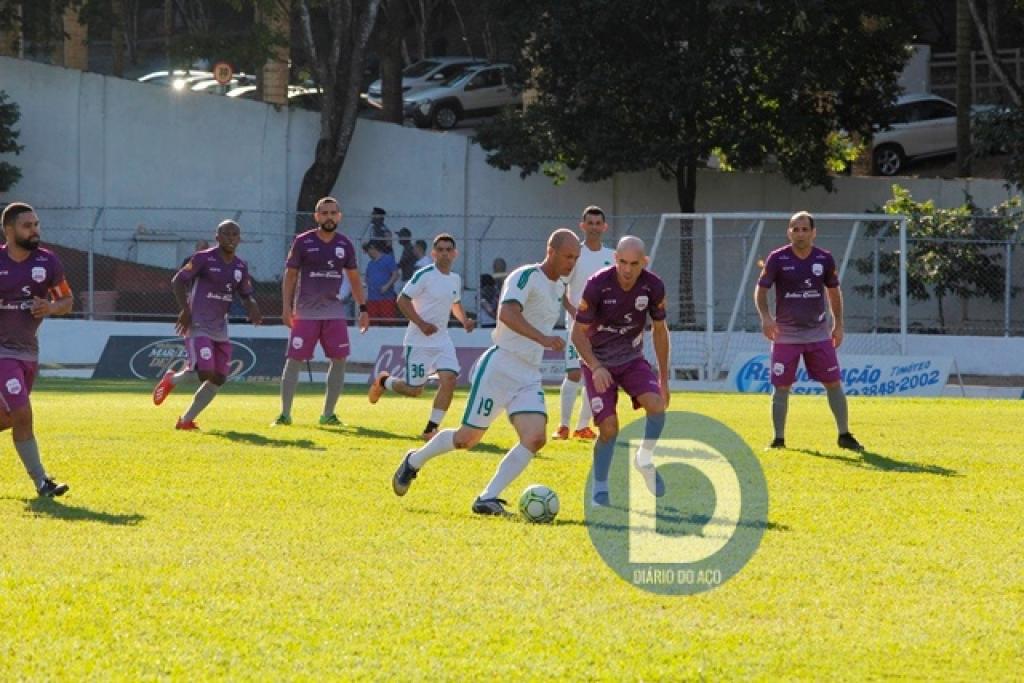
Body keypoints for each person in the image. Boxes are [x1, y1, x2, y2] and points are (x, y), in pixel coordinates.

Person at [391, 228, 580, 516]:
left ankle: (487, 498)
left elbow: (568, 308)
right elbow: (507, 313)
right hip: (501, 366)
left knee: (535, 438)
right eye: (567, 256)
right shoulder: (525, 277)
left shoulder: (559, 286)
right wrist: (542, 338)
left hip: (529, 373)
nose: (572, 262)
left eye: (575, 257)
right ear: (550, 251)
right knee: (467, 439)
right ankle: (414, 461)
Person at [571, 236, 671, 507]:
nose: (627, 270)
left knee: (657, 406)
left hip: (631, 359)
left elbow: (660, 331)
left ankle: (644, 458)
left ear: (644, 262)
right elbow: (577, 335)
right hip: (598, 362)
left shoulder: (653, 286)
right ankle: (600, 489)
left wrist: (663, 379)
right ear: (615, 259)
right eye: (622, 262)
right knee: (609, 428)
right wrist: (596, 366)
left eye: (634, 264)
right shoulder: (597, 284)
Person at [754, 210, 864, 452]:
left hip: (818, 333)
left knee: (833, 382)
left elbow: (833, 292)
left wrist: (838, 324)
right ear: (789, 232)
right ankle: (778, 440)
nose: (800, 233)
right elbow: (761, 290)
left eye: (805, 229)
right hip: (785, 335)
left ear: (814, 233)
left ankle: (844, 434)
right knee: (781, 386)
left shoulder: (824, 259)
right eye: (795, 229)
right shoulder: (777, 258)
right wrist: (766, 318)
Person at [152, 220, 262, 429]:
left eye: (235, 234)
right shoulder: (203, 258)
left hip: (220, 328)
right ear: (217, 237)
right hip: (198, 325)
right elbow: (178, 281)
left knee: (219, 378)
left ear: (239, 239)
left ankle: (186, 421)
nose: (231, 238)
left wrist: (252, 306)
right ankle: (171, 380)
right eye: (226, 233)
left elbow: (246, 294)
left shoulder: (240, 266)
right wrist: (186, 310)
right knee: (205, 372)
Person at [368, 233, 476, 439]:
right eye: (440, 250)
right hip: (419, 340)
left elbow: (455, 303)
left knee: (449, 379)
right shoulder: (424, 275)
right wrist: (421, 324)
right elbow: (402, 300)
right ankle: (384, 381)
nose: (444, 254)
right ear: (433, 254)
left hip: (442, 339)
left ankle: (430, 429)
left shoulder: (455, 279)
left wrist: (464, 321)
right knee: (414, 390)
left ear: (455, 253)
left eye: (448, 250)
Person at [274, 196, 370, 427]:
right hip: (305, 314)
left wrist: (363, 308)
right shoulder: (303, 241)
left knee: (339, 360)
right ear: (316, 216)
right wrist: (286, 307)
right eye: (324, 213)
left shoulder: (345, 244)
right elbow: (290, 275)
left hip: (334, 313)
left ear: (339, 216)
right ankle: (284, 414)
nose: (329, 217)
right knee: (294, 360)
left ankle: (328, 414)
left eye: (333, 213)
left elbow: (354, 278)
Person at [0, 202, 72, 497]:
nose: (35, 230)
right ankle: (42, 482)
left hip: (28, 352)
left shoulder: (48, 261)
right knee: (23, 412)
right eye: (27, 226)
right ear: (9, 230)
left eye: (36, 224)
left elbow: (67, 301)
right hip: (2, 353)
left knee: (8, 418)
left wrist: (50, 307)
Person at [553, 205, 615, 441]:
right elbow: (560, 287)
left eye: (598, 223)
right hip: (577, 327)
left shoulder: (612, 256)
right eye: (590, 223)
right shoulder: (574, 254)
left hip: (602, 329)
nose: (594, 227)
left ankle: (582, 426)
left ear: (604, 227)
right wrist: (574, 313)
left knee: (596, 374)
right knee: (574, 374)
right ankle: (563, 425)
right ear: (582, 226)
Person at [363, 240, 399, 323]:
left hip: (386, 298)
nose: (368, 254)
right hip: (372, 298)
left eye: (368, 250)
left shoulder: (388, 259)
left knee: (387, 322)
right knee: (373, 322)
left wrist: (387, 286)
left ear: (373, 249)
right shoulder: (370, 263)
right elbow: (367, 278)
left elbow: (396, 274)